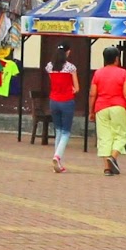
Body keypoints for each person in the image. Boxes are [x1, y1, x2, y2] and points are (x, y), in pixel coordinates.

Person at [90, 44, 126, 175]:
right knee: (120, 135)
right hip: (119, 107)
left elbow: (92, 94)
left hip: (101, 107)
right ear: (116, 59)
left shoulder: (98, 73)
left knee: (104, 137)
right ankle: (113, 157)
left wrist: (91, 111)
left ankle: (107, 168)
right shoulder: (123, 73)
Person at [45, 44, 79, 172]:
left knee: (58, 130)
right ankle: (57, 156)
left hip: (53, 100)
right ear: (67, 52)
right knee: (66, 132)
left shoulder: (49, 66)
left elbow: (52, 82)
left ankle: (57, 163)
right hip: (67, 101)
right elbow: (77, 87)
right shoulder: (71, 67)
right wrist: (71, 89)